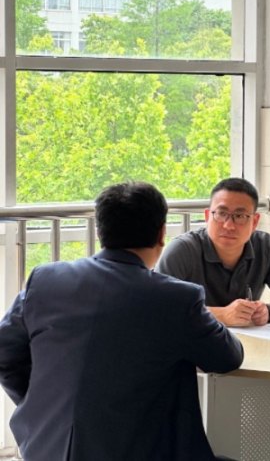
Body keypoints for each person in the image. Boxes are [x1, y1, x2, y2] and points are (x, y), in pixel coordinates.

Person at [0, 182, 244, 461]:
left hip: (44, 450)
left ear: (99, 230)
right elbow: (227, 357)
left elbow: (5, 354)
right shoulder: (176, 298)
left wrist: (42, 404)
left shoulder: (45, 281)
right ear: (161, 233)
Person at [156, 177, 270, 326]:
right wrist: (222, 315)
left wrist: (269, 311)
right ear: (207, 216)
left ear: (254, 221)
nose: (229, 225)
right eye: (221, 214)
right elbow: (159, 308)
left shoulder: (265, 246)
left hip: (248, 340)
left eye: (240, 216)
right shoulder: (182, 250)